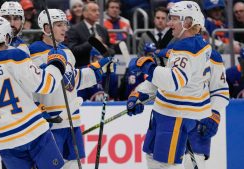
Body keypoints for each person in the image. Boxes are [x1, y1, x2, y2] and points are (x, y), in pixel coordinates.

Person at [0, 16, 66, 169]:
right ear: (6, 36)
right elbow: (46, 85)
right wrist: (57, 64)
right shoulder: (15, 56)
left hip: (4, 140)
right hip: (33, 132)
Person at [126, 1, 213, 168]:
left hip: (175, 115)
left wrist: (146, 65)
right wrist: (141, 94)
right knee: (154, 158)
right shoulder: (195, 45)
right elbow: (173, 73)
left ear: (188, 22)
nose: (168, 23)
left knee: (163, 164)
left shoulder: (186, 49)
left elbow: (173, 81)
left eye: (173, 19)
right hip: (171, 111)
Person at [29, 9, 114, 168]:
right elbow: (28, 88)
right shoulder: (33, 54)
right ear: (46, 28)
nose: (64, 29)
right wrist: (36, 108)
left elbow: (72, 81)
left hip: (72, 121)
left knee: (75, 164)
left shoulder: (67, 52)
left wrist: (99, 69)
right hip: (50, 124)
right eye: (59, 25)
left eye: (65, 24)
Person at [183, 49, 229, 169]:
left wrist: (214, 112)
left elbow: (221, 90)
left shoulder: (212, 55)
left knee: (191, 162)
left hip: (198, 121)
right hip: (171, 120)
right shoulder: (172, 51)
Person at [66, 1, 111, 68]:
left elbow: (111, 50)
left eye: (98, 10)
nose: (97, 13)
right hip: (83, 69)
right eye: (94, 11)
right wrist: (93, 42)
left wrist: (105, 49)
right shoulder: (75, 29)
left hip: (102, 69)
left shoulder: (103, 30)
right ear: (85, 13)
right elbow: (72, 51)